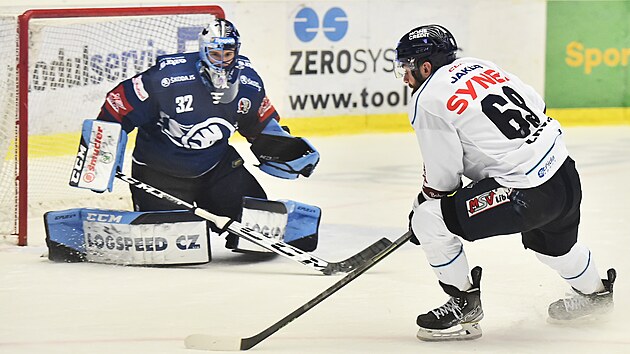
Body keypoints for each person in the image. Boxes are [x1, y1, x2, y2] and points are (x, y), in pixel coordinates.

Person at [394, 24, 615, 341]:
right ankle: (596, 296)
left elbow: (443, 181)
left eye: (406, 68)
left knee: (429, 219)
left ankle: (463, 306)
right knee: (553, 248)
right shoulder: (480, 66)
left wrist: (422, 208)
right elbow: (537, 105)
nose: (405, 78)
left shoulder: (427, 99)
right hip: (564, 173)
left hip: (525, 194)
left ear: (424, 66)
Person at [94, 18, 319, 250]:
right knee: (173, 242)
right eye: (215, 54)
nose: (222, 63)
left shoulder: (249, 82)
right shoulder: (166, 78)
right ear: (203, 51)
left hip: (216, 169)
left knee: (261, 228)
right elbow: (117, 105)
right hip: (159, 175)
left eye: (228, 55)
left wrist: (284, 148)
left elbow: (260, 123)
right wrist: (100, 158)